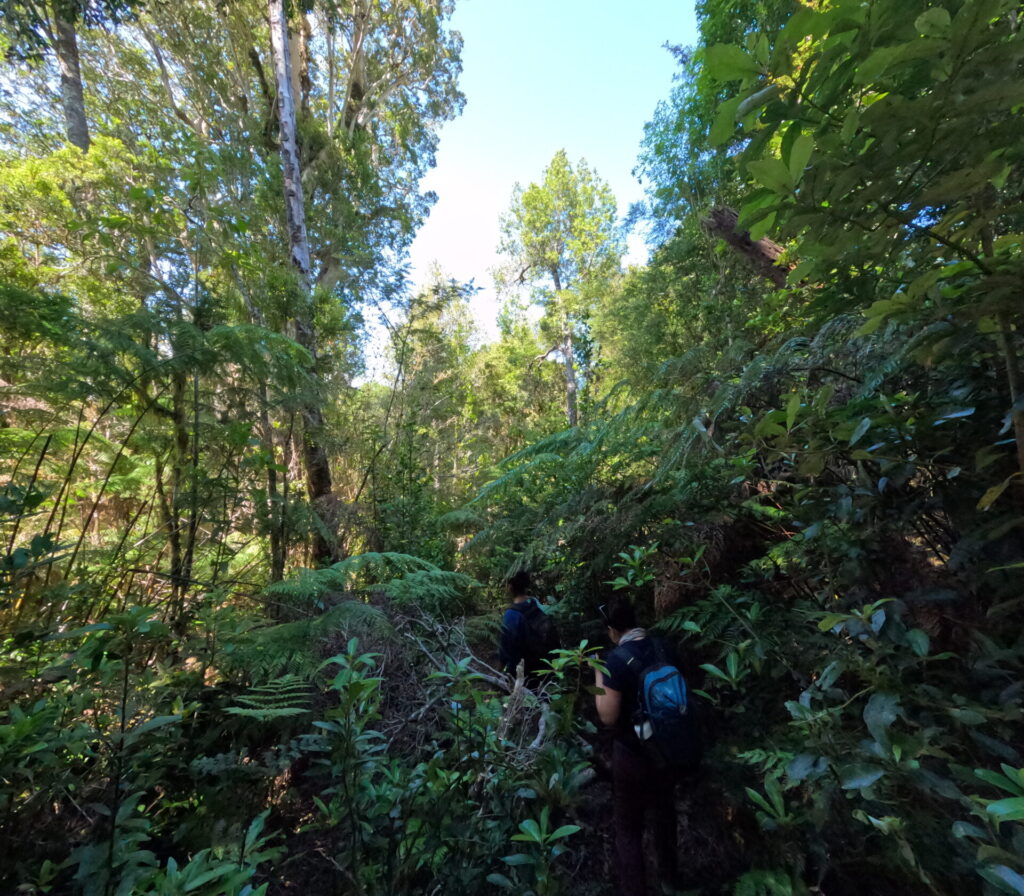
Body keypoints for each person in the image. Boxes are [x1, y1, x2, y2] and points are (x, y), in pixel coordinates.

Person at [595, 596, 683, 896]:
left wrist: (599, 676)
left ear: (612, 630)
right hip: (670, 748)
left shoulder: (615, 661)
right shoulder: (663, 646)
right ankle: (671, 880)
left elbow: (608, 717)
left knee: (629, 828)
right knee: (664, 814)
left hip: (633, 755)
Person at [498, 569, 559, 682]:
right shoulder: (536, 605)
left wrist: (499, 672)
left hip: (523, 674)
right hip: (545, 669)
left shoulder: (511, 615)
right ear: (527, 586)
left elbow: (506, 649)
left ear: (510, 587)